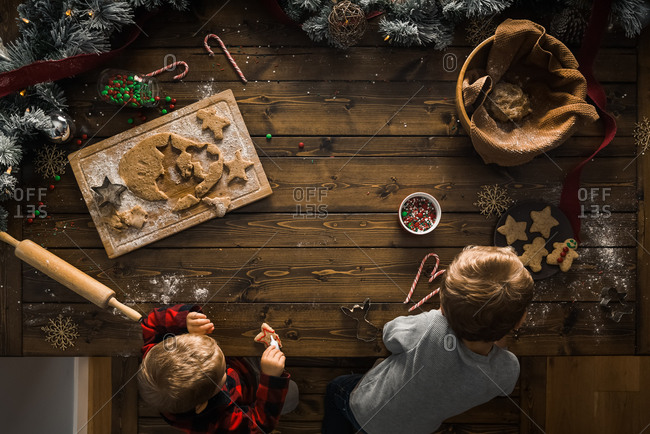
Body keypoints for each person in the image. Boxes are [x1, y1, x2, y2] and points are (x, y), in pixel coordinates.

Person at [323, 246, 534, 434]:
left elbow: (389, 336)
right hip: (417, 429)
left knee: (337, 387)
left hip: (367, 409)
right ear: (519, 321)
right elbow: (503, 387)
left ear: (444, 301)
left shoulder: (432, 326)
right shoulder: (507, 370)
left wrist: (438, 316)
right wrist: (497, 340)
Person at [138, 304, 298, 433]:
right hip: (253, 389)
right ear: (203, 405)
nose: (227, 370)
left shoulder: (155, 358)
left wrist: (184, 320)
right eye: (223, 373)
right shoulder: (217, 422)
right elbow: (259, 426)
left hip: (243, 363)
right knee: (291, 393)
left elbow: (150, 323)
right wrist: (271, 379)